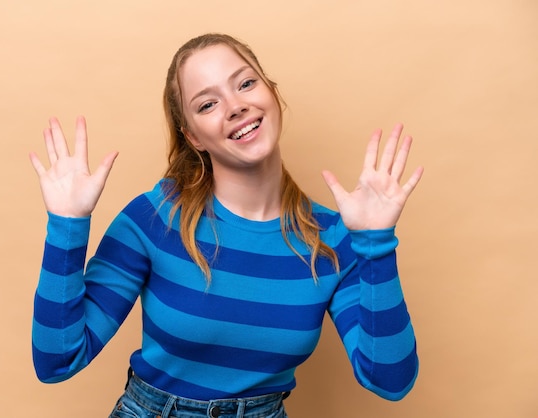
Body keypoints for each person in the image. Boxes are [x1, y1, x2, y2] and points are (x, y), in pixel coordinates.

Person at [29, 33, 423, 418]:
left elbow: (390, 381)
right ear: (192, 137)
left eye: (246, 84)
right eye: (207, 104)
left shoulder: (333, 238)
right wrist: (68, 225)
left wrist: (375, 244)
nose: (236, 106)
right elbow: (58, 361)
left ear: (272, 92)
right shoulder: (154, 219)